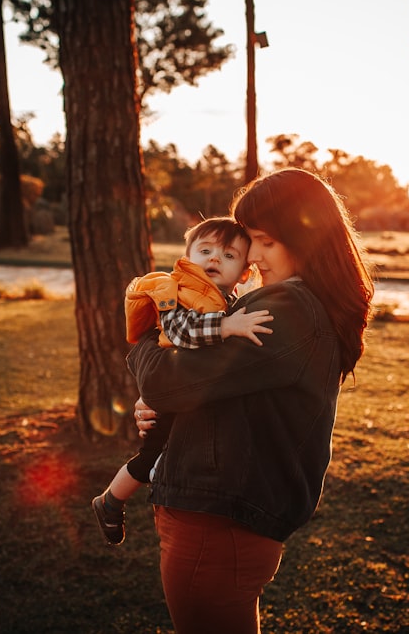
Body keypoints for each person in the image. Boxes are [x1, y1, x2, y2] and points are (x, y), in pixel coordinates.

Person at [126, 168, 375, 634]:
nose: (253, 257)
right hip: (223, 517)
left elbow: (165, 381)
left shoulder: (288, 311)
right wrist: (171, 406)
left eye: (264, 241)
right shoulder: (292, 302)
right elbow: (209, 390)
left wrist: (144, 336)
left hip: (217, 522)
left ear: (308, 238)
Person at [92, 217, 273, 545]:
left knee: (165, 454)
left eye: (229, 256)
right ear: (187, 258)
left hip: (191, 397)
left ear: (245, 273)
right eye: (205, 251)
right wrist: (225, 327)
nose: (215, 259)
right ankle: (109, 501)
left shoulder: (230, 303)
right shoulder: (177, 292)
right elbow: (176, 330)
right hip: (172, 392)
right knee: (150, 456)